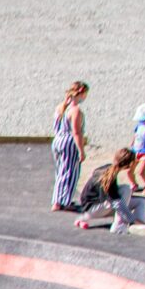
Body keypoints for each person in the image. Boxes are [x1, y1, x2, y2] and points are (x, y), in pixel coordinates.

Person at [71, 148, 140, 228]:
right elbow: (115, 202)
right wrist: (132, 219)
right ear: (130, 164)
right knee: (126, 190)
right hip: (93, 209)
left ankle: (140, 226)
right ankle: (119, 225)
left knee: (141, 202)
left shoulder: (108, 168)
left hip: (90, 208)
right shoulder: (108, 177)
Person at [51, 82, 88, 212]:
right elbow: (76, 132)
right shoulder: (75, 110)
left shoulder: (60, 107)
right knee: (70, 172)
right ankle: (65, 201)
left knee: (60, 171)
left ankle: (57, 200)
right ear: (81, 93)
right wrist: (81, 150)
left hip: (58, 140)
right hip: (69, 142)